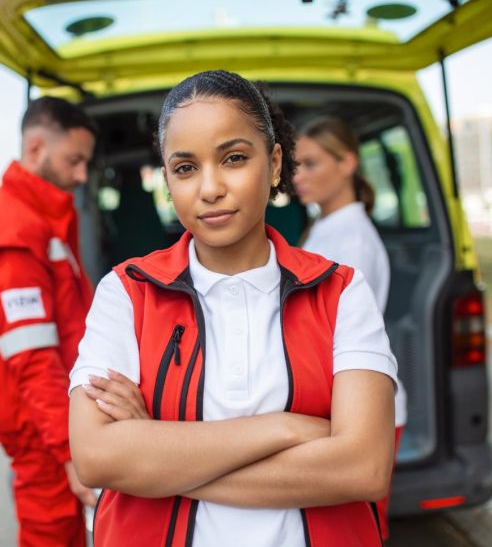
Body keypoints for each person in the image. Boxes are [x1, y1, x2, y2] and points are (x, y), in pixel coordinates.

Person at [67, 70, 398, 547]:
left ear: (276, 161)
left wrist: (155, 455)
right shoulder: (126, 291)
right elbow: (97, 458)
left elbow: (363, 469)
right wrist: (287, 429)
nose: (210, 188)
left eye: (234, 159)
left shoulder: (340, 290)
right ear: (167, 179)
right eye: (184, 168)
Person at [0, 96, 98, 547]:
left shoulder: (35, 216)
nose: (81, 175)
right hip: (41, 427)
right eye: (74, 160)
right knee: (50, 533)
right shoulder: (14, 230)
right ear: (35, 149)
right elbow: (31, 358)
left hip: (48, 419)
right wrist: (71, 453)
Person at [293, 115, 408, 540]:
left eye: (311, 164)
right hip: (338, 407)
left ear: (347, 163)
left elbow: (331, 338)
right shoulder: (326, 227)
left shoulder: (351, 240)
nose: (298, 176)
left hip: (358, 414)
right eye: (294, 165)